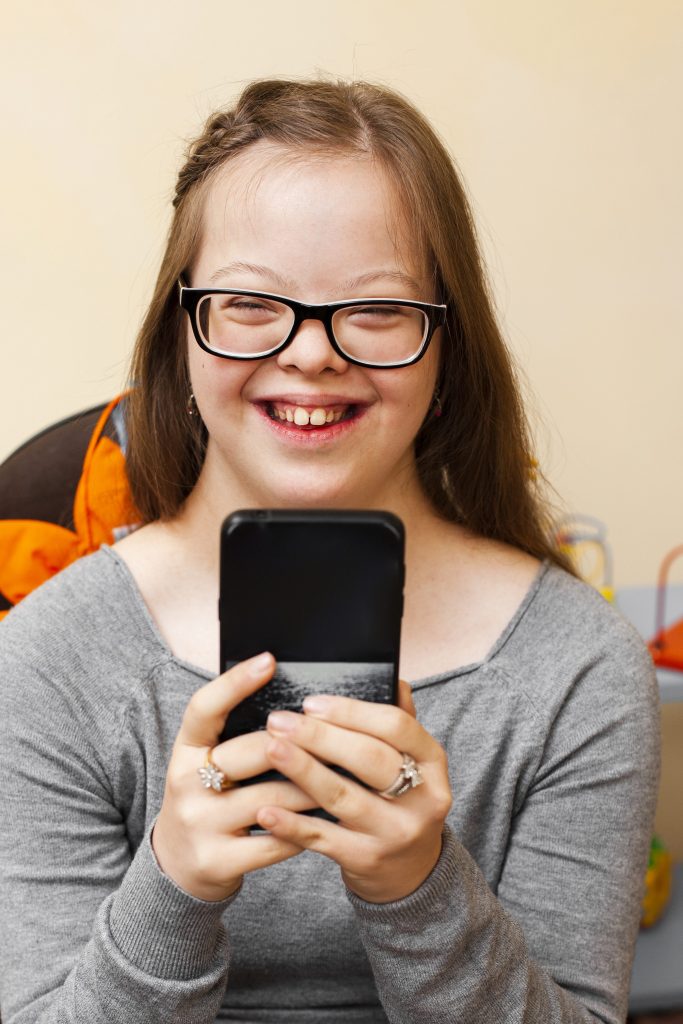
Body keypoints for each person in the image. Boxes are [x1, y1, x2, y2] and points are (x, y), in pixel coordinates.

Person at [0, 78, 659, 1024]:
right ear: (179, 332)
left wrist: (416, 884)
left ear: (446, 347)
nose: (311, 353)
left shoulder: (576, 669)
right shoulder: (47, 659)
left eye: (377, 310)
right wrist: (174, 886)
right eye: (250, 303)